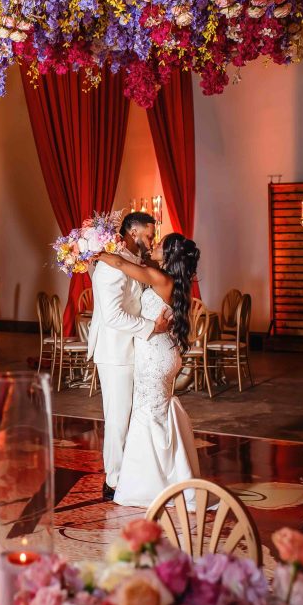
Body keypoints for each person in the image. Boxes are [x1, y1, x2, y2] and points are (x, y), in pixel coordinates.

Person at [97, 232, 201, 509]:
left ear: (169, 255)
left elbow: (120, 264)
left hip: (155, 356)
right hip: (163, 353)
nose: (154, 245)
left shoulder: (160, 278)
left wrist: (96, 252)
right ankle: (167, 476)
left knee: (148, 416)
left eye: (160, 244)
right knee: (155, 414)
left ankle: (152, 484)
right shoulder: (171, 280)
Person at [87, 212, 170, 502]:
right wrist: (152, 327)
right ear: (133, 232)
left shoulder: (130, 260)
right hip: (115, 351)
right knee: (118, 417)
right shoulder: (111, 264)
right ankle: (113, 480)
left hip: (132, 349)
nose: (152, 240)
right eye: (149, 235)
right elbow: (113, 316)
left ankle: (128, 474)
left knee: (129, 415)